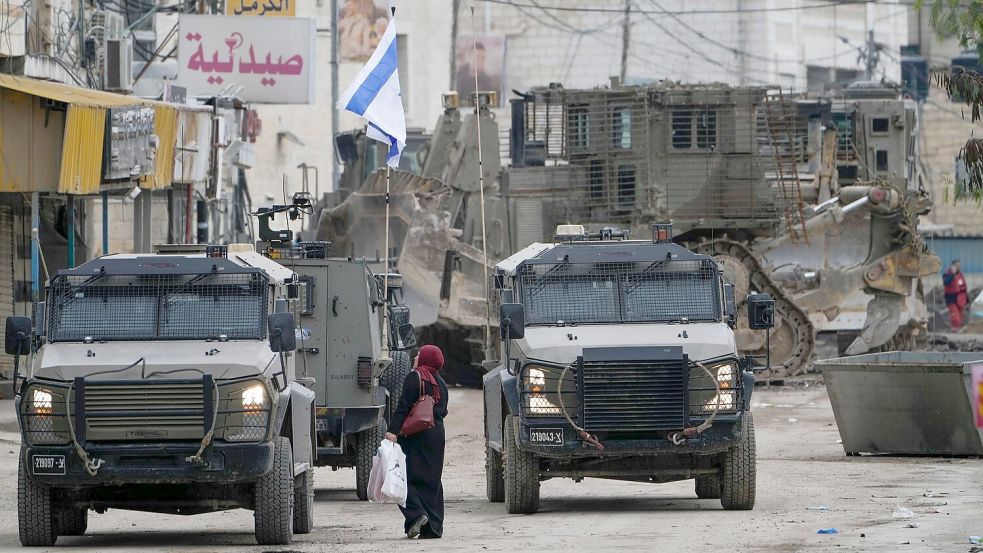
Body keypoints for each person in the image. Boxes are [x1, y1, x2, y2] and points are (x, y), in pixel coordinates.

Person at [385, 345, 449, 539]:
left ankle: (416, 516)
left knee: (404, 477)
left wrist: (392, 430)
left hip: (414, 435)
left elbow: (403, 406)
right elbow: (443, 411)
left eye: (419, 355)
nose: (415, 357)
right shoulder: (442, 383)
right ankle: (433, 527)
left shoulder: (415, 377)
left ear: (426, 359)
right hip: (436, 436)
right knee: (432, 481)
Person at [943, 259, 969, 330]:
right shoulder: (947, 274)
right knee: (955, 317)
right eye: (956, 265)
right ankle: (955, 330)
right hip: (951, 299)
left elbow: (964, 288)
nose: (958, 267)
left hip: (961, 299)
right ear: (952, 266)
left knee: (961, 317)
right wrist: (952, 274)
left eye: (959, 266)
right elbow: (946, 282)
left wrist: (967, 301)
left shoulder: (961, 275)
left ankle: (958, 331)